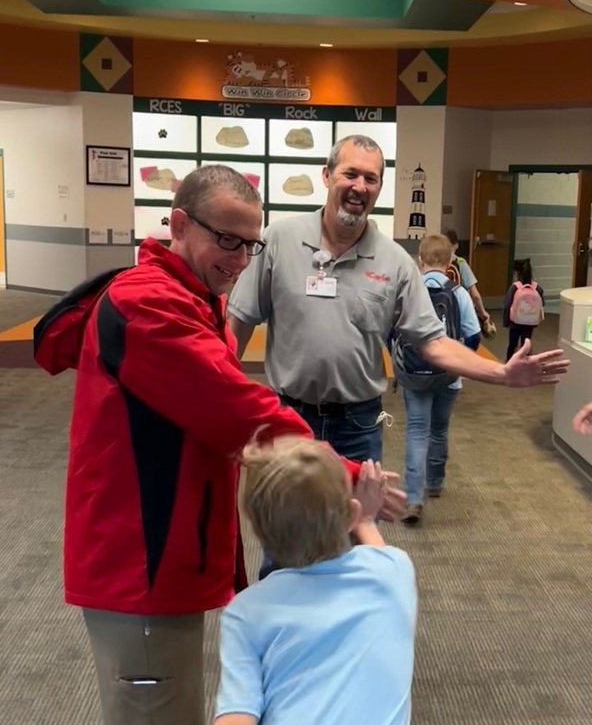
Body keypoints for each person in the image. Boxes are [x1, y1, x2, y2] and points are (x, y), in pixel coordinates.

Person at [43, 164, 405, 725]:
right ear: (178, 224)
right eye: (225, 241)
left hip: (157, 558)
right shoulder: (151, 305)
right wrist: (341, 471)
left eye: (250, 245)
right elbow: (235, 410)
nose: (238, 261)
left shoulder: (184, 294)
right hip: (138, 564)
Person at [168, 437, 421, 725]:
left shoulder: (247, 612)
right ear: (349, 515)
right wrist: (366, 517)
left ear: (258, 531)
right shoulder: (395, 575)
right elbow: (374, 548)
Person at [228, 134, 568, 453]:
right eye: (350, 174)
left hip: (357, 425)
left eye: (371, 178)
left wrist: (501, 373)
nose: (359, 187)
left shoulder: (396, 262)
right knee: (283, 501)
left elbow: (434, 342)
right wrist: (222, 395)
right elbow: (239, 322)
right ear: (327, 175)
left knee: (360, 501)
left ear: (379, 188)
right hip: (287, 417)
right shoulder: (279, 240)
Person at [394, 234, 481, 525]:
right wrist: (458, 361)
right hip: (449, 376)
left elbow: (392, 331)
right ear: (449, 261)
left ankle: (413, 499)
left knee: (417, 431)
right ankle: (435, 482)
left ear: (420, 259)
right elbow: (473, 335)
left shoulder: (409, 291)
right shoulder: (459, 293)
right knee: (440, 429)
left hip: (414, 374)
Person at [443, 228, 491, 327]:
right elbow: (475, 294)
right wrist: (482, 311)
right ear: (456, 245)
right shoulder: (460, 262)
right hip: (459, 310)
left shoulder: (437, 262)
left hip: (442, 309)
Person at [503, 257, 545, 362]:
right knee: (526, 344)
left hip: (515, 322)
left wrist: (506, 322)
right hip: (530, 322)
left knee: (512, 344)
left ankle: (509, 363)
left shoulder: (515, 287)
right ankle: (526, 363)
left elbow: (507, 305)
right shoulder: (537, 288)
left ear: (517, 273)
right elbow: (542, 304)